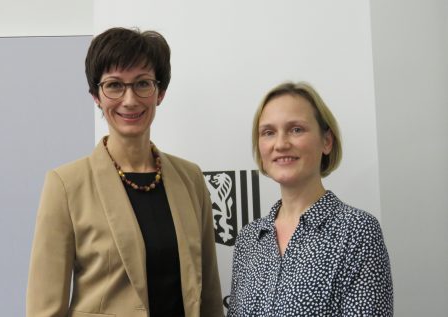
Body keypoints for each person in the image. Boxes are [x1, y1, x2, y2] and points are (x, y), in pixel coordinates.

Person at [27, 27, 224, 317]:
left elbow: (208, 297)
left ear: (160, 92)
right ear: (96, 95)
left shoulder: (190, 178)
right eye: (115, 85)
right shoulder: (66, 185)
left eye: (142, 84)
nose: (130, 100)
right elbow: (45, 309)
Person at [227, 82, 393, 316]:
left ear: (327, 141)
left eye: (296, 129)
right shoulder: (249, 240)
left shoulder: (358, 232)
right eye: (268, 132)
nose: (281, 144)